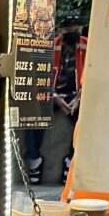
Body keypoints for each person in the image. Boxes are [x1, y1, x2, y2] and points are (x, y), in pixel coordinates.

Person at [24, 14, 87, 185]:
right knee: (34, 115)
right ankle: (34, 160)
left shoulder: (88, 45)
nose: (73, 32)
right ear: (60, 30)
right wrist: (55, 97)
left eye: (77, 29)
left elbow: (92, 75)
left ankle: (71, 161)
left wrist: (80, 98)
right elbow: (39, 76)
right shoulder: (49, 47)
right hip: (52, 93)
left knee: (86, 120)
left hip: (78, 94)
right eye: (69, 29)